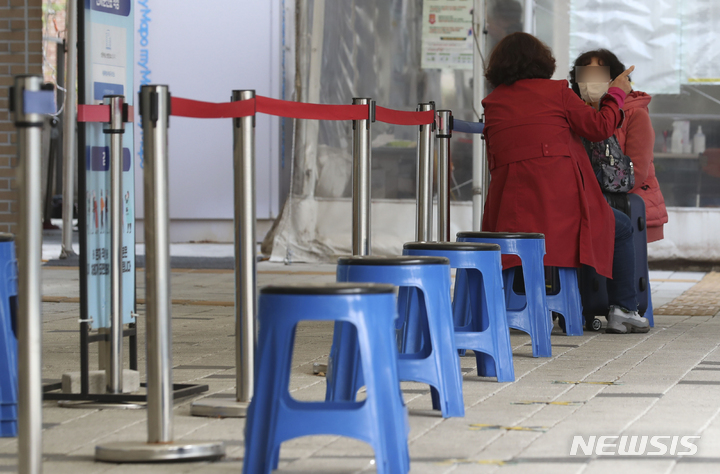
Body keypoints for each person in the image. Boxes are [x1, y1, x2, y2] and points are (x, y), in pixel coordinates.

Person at [481, 32, 648, 334]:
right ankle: (624, 308)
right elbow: (599, 127)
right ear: (542, 61)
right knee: (621, 227)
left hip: (510, 217)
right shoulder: (556, 93)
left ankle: (513, 303)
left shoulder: (493, 103)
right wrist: (616, 94)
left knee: (613, 223)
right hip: (563, 215)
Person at [570, 49, 668, 242]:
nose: (590, 81)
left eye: (598, 74)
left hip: (629, 208)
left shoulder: (635, 114)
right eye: (584, 75)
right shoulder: (577, 116)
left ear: (614, 79)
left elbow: (637, 172)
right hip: (592, 211)